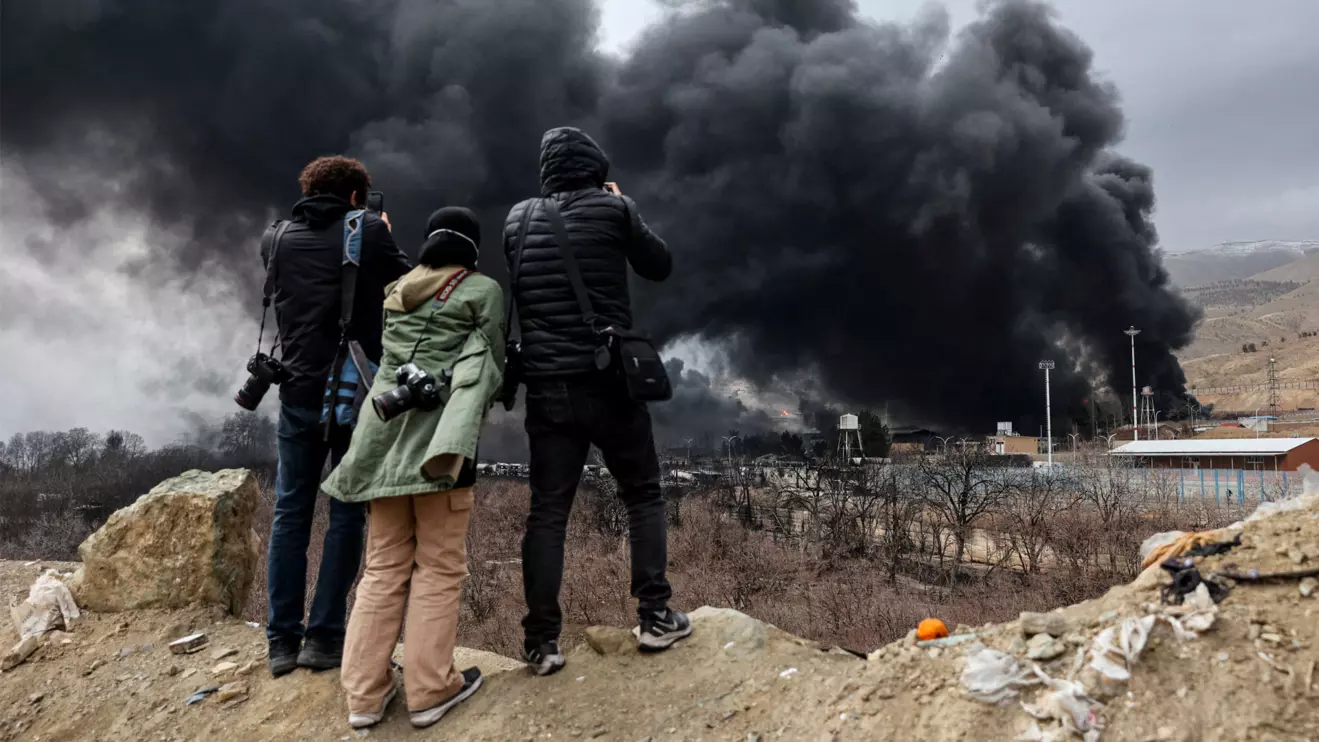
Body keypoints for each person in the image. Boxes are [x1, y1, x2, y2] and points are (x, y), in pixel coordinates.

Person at [503, 126, 690, 677]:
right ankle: (655, 617)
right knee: (643, 494)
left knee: (548, 512)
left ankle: (541, 644)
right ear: (594, 167)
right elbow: (659, 264)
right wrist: (620, 206)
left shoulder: (518, 219)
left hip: (547, 389)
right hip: (609, 381)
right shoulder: (615, 209)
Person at [322, 207, 504, 730]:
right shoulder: (483, 290)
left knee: (382, 568)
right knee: (440, 566)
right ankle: (430, 690)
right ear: (471, 248)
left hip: (380, 446)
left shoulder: (396, 293)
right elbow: (488, 367)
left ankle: (364, 696)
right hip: (439, 451)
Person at [262, 156, 411, 677]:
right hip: (353, 391)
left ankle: (281, 642)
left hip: (297, 391)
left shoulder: (275, 237)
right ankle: (324, 638)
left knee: (290, 513)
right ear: (355, 197)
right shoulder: (367, 230)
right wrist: (379, 234)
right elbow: (413, 285)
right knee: (346, 512)